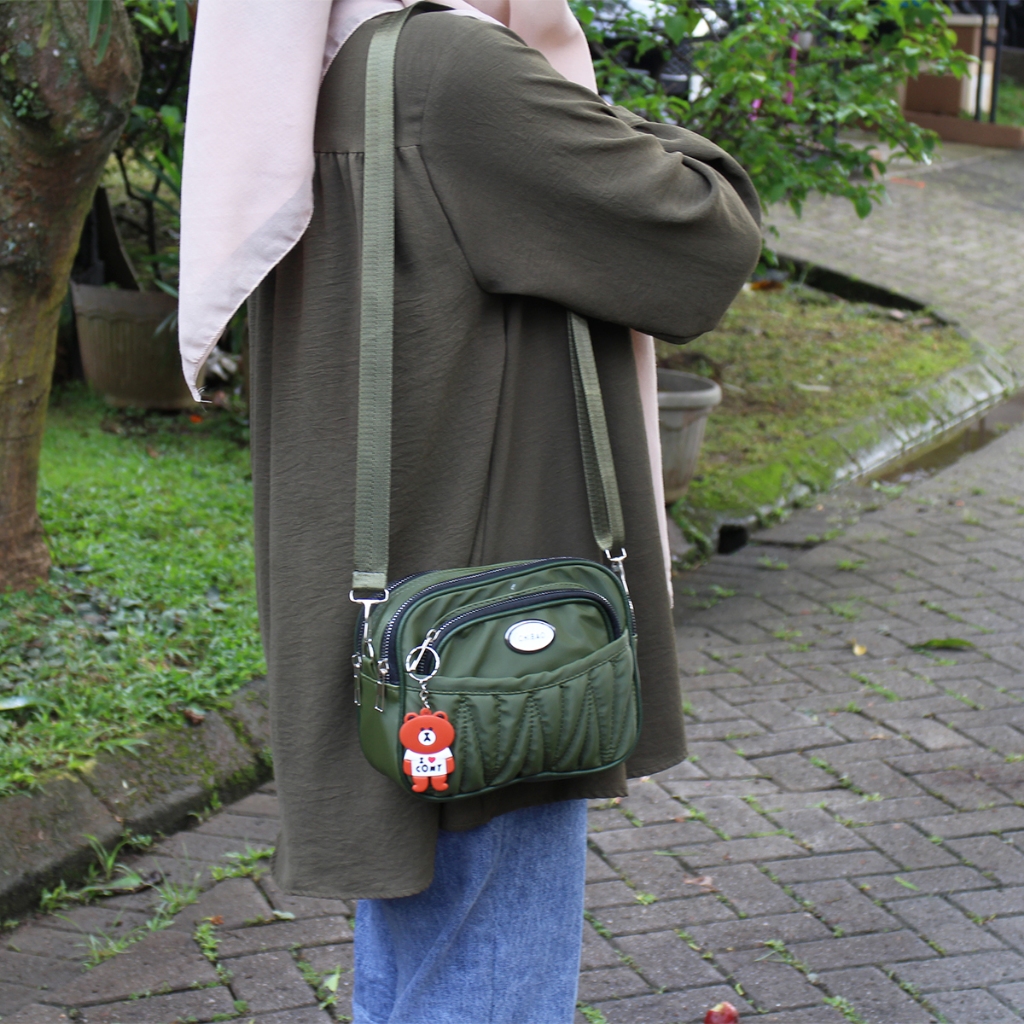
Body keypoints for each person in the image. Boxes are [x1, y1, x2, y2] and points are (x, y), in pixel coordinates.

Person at [179, 3, 761, 1022]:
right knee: (488, 968)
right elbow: (703, 239)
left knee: (421, 958)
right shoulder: (451, 68)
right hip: (500, 615)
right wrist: (617, 120)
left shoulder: (337, 78)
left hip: (398, 604)